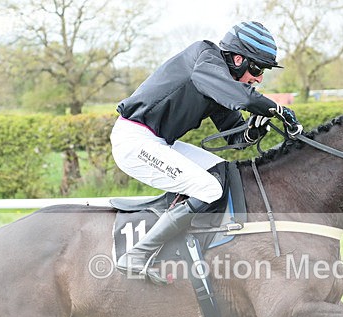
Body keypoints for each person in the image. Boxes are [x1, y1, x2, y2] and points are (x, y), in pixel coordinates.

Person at [111, 21, 303, 284]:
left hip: (157, 141)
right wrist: (277, 109)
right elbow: (245, 98)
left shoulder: (218, 82)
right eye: (257, 69)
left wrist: (253, 131)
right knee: (209, 189)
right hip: (134, 141)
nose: (259, 78)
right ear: (237, 59)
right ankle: (138, 254)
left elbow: (235, 134)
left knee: (222, 172)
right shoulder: (204, 58)